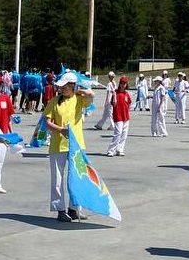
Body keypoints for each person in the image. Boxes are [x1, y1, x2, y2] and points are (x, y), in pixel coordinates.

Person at [44, 72, 95, 222]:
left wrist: (81, 91)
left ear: (72, 86)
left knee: (77, 177)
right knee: (58, 179)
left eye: (65, 86)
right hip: (58, 145)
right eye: (60, 86)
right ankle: (60, 210)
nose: (61, 89)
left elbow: (91, 95)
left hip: (76, 145)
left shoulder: (79, 100)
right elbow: (47, 122)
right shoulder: (54, 101)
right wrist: (61, 130)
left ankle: (74, 209)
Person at [107, 76, 132, 157]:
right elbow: (113, 104)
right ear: (119, 84)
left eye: (124, 83)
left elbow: (129, 103)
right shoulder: (116, 93)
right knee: (118, 133)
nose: (123, 85)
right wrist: (114, 96)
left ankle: (119, 149)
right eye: (121, 83)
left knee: (124, 134)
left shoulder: (126, 94)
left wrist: (128, 110)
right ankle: (111, 150)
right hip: (118, 116)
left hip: (126, 117)